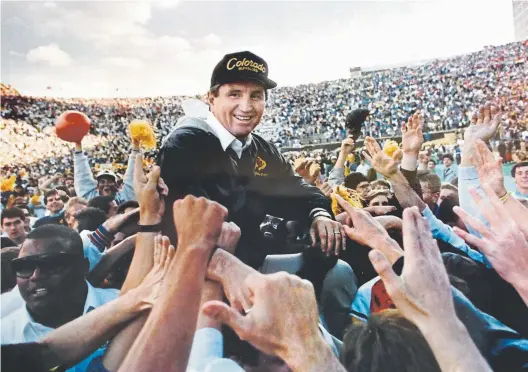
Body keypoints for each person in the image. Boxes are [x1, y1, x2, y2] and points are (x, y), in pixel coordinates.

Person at [158, 51, 343, 268]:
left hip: (249, 264)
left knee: (338, 271)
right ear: (211, 98)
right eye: (234, 94)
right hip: (197, 273)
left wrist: (319, 214)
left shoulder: (261, 148)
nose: (246, 107)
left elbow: (300, 191)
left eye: (255, 96)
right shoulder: (186, 144)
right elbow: (195, 229)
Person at [1, 225, 119, 372]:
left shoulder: (127, 307)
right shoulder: (4, 336)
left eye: (50, 264)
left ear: (84, 266)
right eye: (24, 266)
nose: (35, 276)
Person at [73, 138, 138, 204]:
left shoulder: (125, 197)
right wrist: (78, 143)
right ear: (97, 186)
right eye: (102, 182)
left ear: (116, 185)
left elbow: (132, 177)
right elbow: (82, 177)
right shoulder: (91, 198)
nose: (106, 184)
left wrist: (136, 146)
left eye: (110, 181)